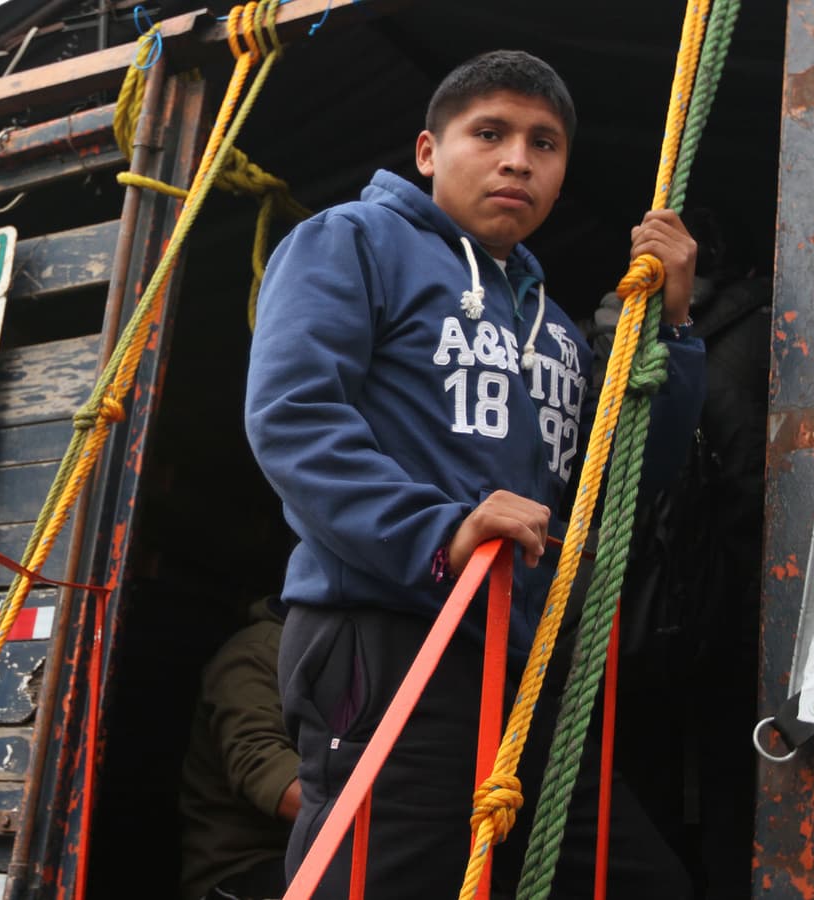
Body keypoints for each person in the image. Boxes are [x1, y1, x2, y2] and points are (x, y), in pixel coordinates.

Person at [244, 50, 704, 898]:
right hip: (391, 628)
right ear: (428, 151)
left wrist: (673, 328)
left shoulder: (557, 328)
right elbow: (293, 418)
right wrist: (439, 530)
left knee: (643, 883)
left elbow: (627, 482)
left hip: (527, 664)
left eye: (544, 144)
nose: (517, 160)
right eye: (488, 133)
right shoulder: (352, 240)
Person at [179, 596, 300, 900]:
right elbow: (261, 766)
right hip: (242, 869)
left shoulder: (333, 647)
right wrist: (377, 820)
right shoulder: (256, 652)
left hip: (304, 852)